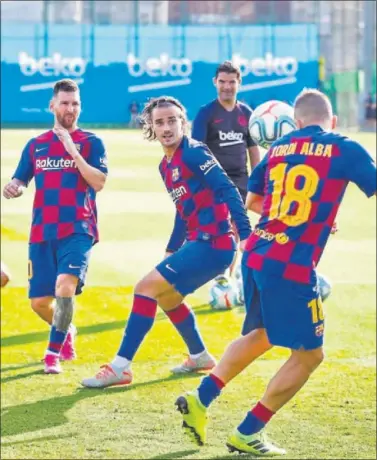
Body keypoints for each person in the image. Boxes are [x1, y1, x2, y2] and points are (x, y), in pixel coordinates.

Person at [175, 88, 376, 455]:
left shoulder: (278, 150)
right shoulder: (343, 146)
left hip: (255, 254)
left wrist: (302, 213)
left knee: (261, 335)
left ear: (295, 123)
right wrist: (312, 214)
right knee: (310, 355)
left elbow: (253, 201)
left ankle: (200, 399)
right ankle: (248, 431)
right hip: (292, 264)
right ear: (331, 121)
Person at [81, 95, 251, 388]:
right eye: (160, 122)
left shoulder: (195, 153)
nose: (167, 127)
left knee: (144, 289)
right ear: (151, 127)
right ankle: (199, 356)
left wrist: (246, 234)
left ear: (183, 123)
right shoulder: (166, 165)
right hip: (199, 242)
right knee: (169, 298)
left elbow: (229, 190)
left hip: (215, 243)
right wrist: (173, 248)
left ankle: (121, 367)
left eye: (172, 120)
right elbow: (182, 210)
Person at [2, 79, 108, 374]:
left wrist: (72, 150)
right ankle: (67, 330)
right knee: (38, 303)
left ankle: (52, 353)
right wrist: (14, 187)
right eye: (64, 102)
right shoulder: (36, 145)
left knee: (65, 287)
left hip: (78, 228)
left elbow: (98, 183)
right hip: (42, 231)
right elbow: (20, 179)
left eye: (75, 103)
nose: (70, 108)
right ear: (52, 105)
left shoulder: (91, 142)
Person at [191, 60, 260, 291]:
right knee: (222, 229)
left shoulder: (247, 113)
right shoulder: (206, 114)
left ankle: (225, 277)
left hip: (241, 182)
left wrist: (258, 182)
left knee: (236, 228)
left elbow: (253, 150)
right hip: (215, 182)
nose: (227, 87)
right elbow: (196, 151)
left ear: (239, 83)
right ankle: (222, 274)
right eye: (222, 82)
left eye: (231, 82)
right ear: (215, 82)